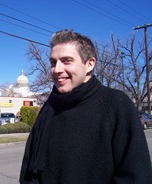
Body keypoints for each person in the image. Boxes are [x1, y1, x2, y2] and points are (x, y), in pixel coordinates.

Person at [19, 29, 152, 184]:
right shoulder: (49, 108)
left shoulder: (116, 105)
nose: (57, 69)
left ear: (89, 64)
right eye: (53, 62)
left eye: (67, 61)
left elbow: (135, 176)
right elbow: (29, 171)